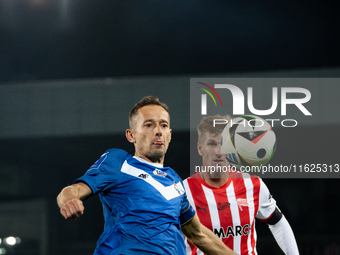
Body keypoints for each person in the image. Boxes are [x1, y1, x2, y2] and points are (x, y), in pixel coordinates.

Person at [57, 96, 236, 255]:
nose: (158, 131)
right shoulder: (119, 162)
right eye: (149, 125)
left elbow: (199, 234)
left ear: (169, 135)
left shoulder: (174, 180)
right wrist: (69, 200)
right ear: (131, 135)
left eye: (163, 125)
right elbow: (74, 190)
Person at [184, 115, 299, 255]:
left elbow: (278, 223)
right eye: (212, 144)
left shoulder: (252, 184)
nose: (219, 152)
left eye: (224, 144)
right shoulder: (183, 192)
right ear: (200, 148)